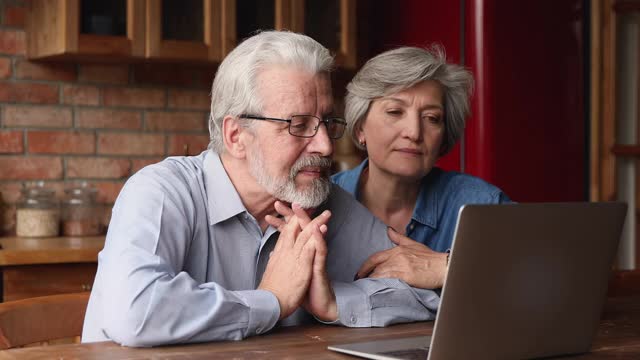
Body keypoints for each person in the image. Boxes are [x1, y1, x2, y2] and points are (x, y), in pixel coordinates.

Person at [82, 31, 440, 347]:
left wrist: (335, 303)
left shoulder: (326, 202)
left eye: (327, 123)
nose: (325, 147)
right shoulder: (162, 191)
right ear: (236, 136)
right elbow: (134, 313)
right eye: (298, 124)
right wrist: (271, 301)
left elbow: (434, 299)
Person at [332, 46, 511, 290]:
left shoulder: (481, 204)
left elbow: (550, 276)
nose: (414, 132)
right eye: (395, 112)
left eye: (432, 118)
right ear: (360, 126)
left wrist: (447, 267)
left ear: (444, 137)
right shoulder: (321, 204)